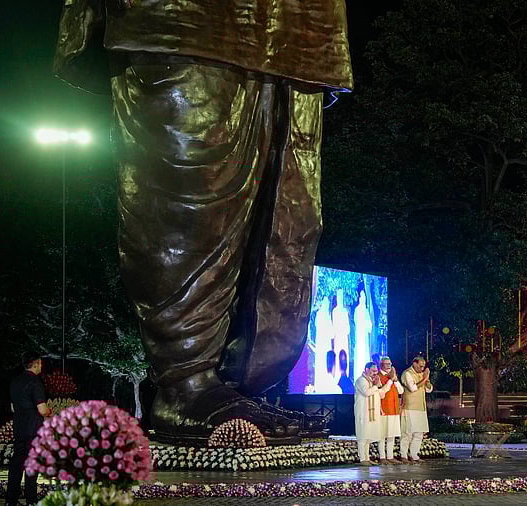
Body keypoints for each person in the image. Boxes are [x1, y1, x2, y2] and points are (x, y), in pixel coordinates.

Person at [52, 1, 353, 443]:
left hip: (299, 27)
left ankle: (237, 382)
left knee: (290, 211)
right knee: (193, 194)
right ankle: (185, 382)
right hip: (185, 18)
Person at [6, 352, 52, 506]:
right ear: (35, 364)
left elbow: (13, 407)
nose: (41, 366)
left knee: (17, 464)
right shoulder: (35, 383)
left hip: (19, 427)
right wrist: (49, 412)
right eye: (40, 363)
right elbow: (42, 409)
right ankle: (31, 500)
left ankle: (10, 500)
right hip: (33, 429)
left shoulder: (15, 381)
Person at [353, 362, 391, 466]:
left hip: (371, 414)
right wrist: (376, 386)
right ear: (366, 369)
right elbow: (366, 392)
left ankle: (367, 458)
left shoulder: (372, 381)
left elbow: (381, 395)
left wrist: (384, 384)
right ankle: (362, 459)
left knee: (368, 437)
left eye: (376, 371)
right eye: (373, 371)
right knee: (362, 436)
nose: (375, 373)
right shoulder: (361, 380)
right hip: (363, 413)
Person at [400, 356, 433, 463]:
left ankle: (414, 455)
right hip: (410, 407)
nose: (422, 369)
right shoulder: (407, 373)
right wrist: (424, 378)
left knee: (419, 433)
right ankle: (403, 455)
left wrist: (426, 380)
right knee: (407, 433)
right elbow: (412, 388)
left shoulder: (421, 374)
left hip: (421, 408)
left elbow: (429, 390)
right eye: (420, 366)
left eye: (424, 367)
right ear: (414, 363)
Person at [377, 356, 403, 464]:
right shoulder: (378, 376)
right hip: (383, 410)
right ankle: (382, 457)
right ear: (381, 365)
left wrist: (395, 380)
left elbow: (401, 391)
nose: (388, 366)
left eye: (390, 364)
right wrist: (391, 380)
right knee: (382, 435)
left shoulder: (393, 376)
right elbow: (382, 392)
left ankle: (390, 456)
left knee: (392, 434)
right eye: (386, 364)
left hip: (394, 409)